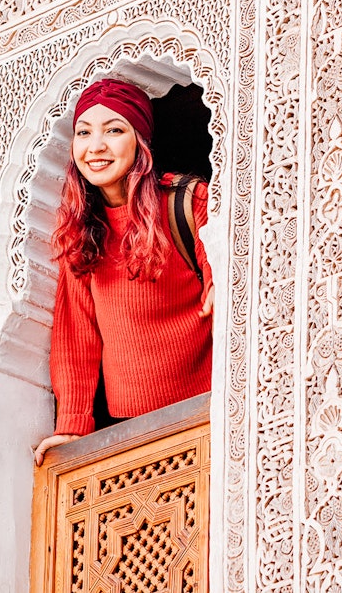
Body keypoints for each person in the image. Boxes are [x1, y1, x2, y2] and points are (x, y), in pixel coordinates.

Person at [33, 78, 214, 466]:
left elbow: (223, 259)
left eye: (114, 130)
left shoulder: (185, 201)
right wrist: (73, 425)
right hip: (133, 430)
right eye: (84, 132)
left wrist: (221, 283)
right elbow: (77, 339)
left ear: (140, 142)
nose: (95, 146)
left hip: (209, 408)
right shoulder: (80, 234)